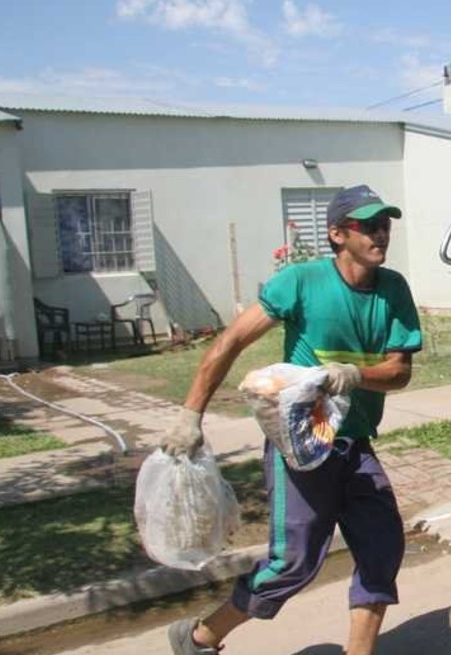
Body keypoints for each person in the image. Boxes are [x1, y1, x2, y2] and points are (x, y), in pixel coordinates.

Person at [162, 185, 421, 655]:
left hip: (355, 443)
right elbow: (229, 343)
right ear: (337, 234)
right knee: (293, 563)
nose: (381, 233)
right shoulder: (300, 281)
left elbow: (399, 371)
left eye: (385, 224)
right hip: (302, 448)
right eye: (368, 225)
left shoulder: (394, 289)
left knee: (382, 548)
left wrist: (355, 374)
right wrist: (190, 414)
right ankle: (201, 637)